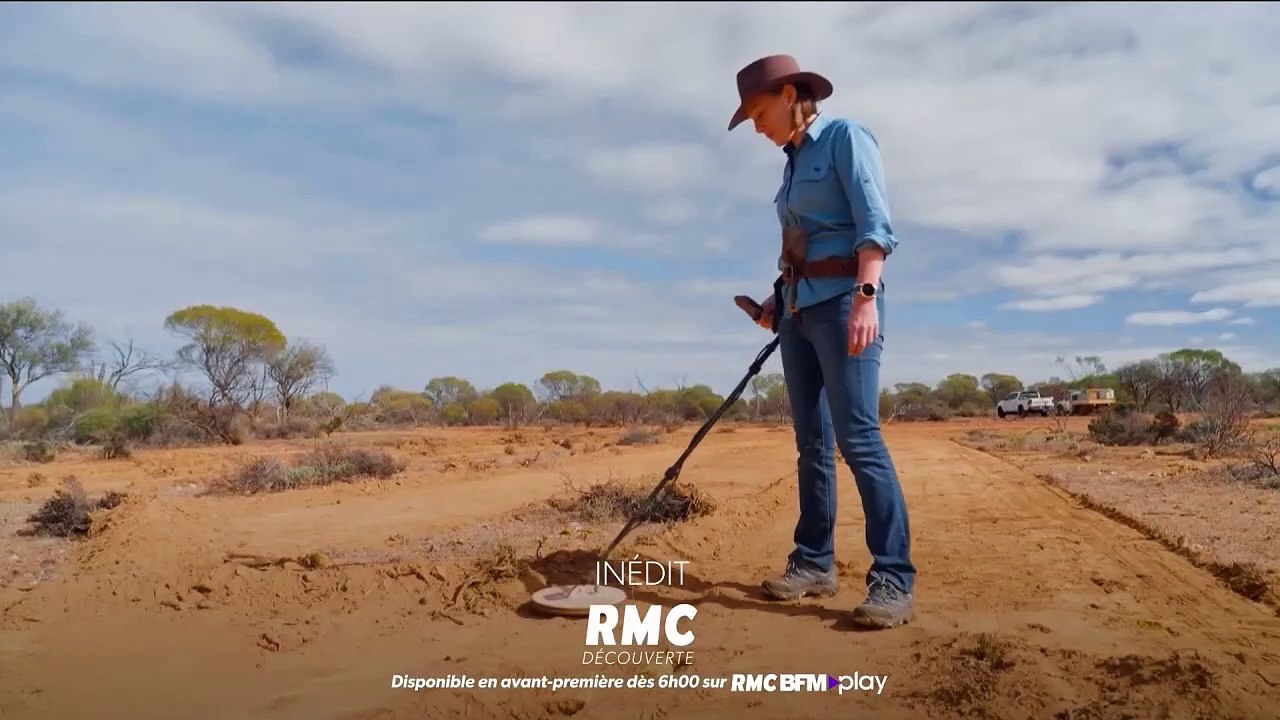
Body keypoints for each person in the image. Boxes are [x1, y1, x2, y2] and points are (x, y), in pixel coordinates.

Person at [727, 54, 916, 629]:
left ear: (788, 95)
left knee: (858, 438)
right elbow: (801, 251)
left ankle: (893, 579)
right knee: (812, 444)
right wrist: (773, 304)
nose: (756, 127)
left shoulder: (844, 138)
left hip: (843, 307)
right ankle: (813, 563)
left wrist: (865, 295)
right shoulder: (789, 168)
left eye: (759, 112)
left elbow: (874, 223)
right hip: (798, 313)